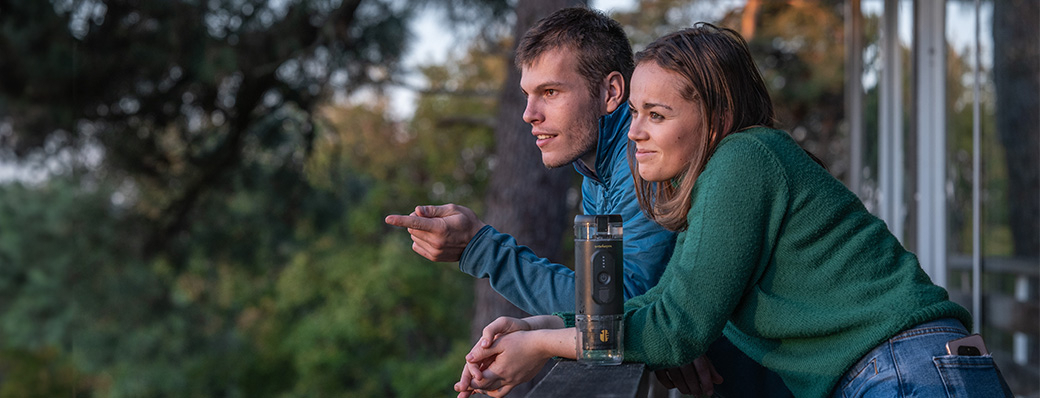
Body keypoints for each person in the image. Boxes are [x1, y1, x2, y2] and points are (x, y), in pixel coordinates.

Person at [456, 23, 1014, 398]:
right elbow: (661, 304)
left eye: (657, 114)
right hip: (903, 372)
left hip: (908, 373)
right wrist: (539, 323)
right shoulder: (721, 179)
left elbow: (675, 331)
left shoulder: (745, 158)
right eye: (634, 115)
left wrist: (538, 346)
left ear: (715, 120)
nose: (636, 133)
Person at [388, 7, 790, 398]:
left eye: (550, 92)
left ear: (611, 91)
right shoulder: (596, 176)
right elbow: (615, 308)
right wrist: (538, 327)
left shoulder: (642, 160)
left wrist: (483, 251)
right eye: (527, 95)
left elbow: (618, 308)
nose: (529, 114)